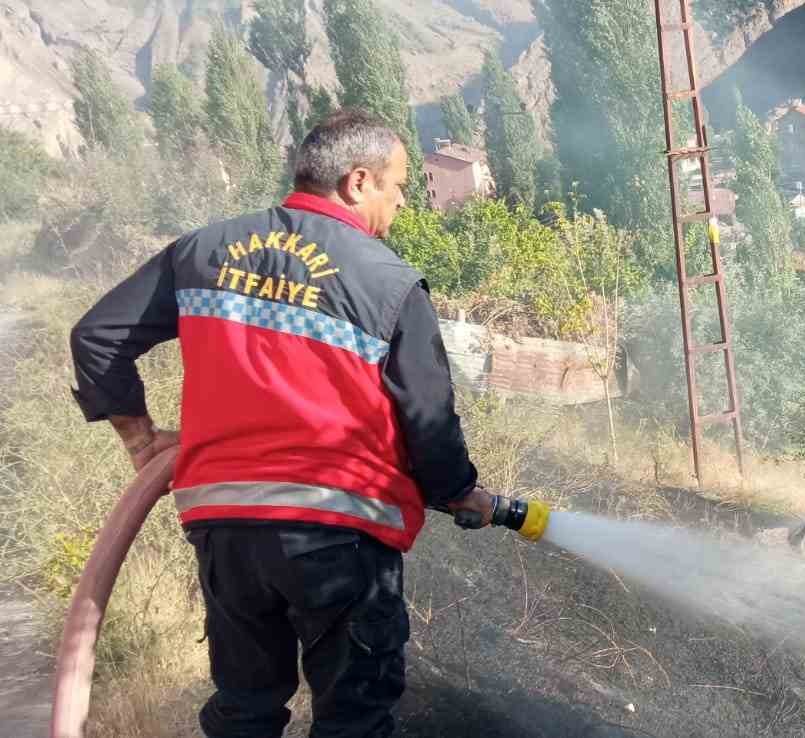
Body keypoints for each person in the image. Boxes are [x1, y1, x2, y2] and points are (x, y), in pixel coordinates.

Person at [69, 109, 497, 738]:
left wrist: (140, 440)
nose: (404, 201)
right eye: (399, 185)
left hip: (226, 528)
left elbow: (97, 336)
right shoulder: (389, 282)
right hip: (342, 529)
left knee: (245, 708)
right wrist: (458, 491)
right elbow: (428, 421)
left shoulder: (202, 250)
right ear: (358, 181)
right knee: (354, 719)